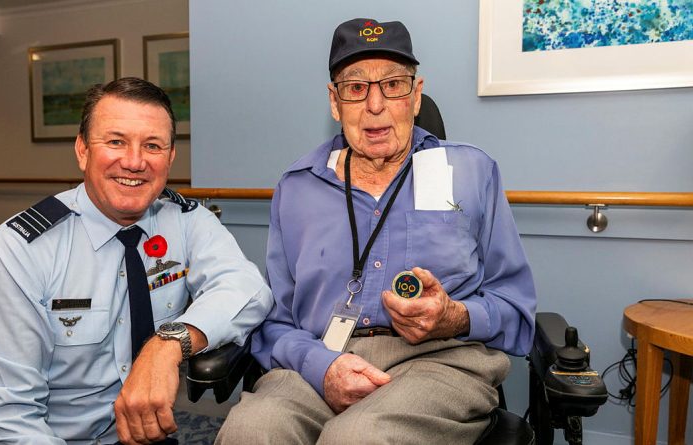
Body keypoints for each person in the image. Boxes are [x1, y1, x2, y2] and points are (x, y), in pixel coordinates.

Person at [217, 18, 537, 444]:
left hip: (440, 363)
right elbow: (275, 322)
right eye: (355, 88)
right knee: (249, 430)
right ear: (335, 102)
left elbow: (516, 310)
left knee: (358, 437)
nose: (375, 105)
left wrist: (454, 317)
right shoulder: (296, 187)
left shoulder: (472, 171)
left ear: (416, 95)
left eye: (393, 85)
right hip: (321, 360)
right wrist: (321, 366)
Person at [0, 77, 273, 445]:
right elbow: (9, 419)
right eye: (116, 142)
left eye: (152, 145)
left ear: (170, 158)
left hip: (138, 436)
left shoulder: (186, 221)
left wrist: (167, 344)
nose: (134, 162)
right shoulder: (19, 250)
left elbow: (247, 289)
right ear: (83, 150)